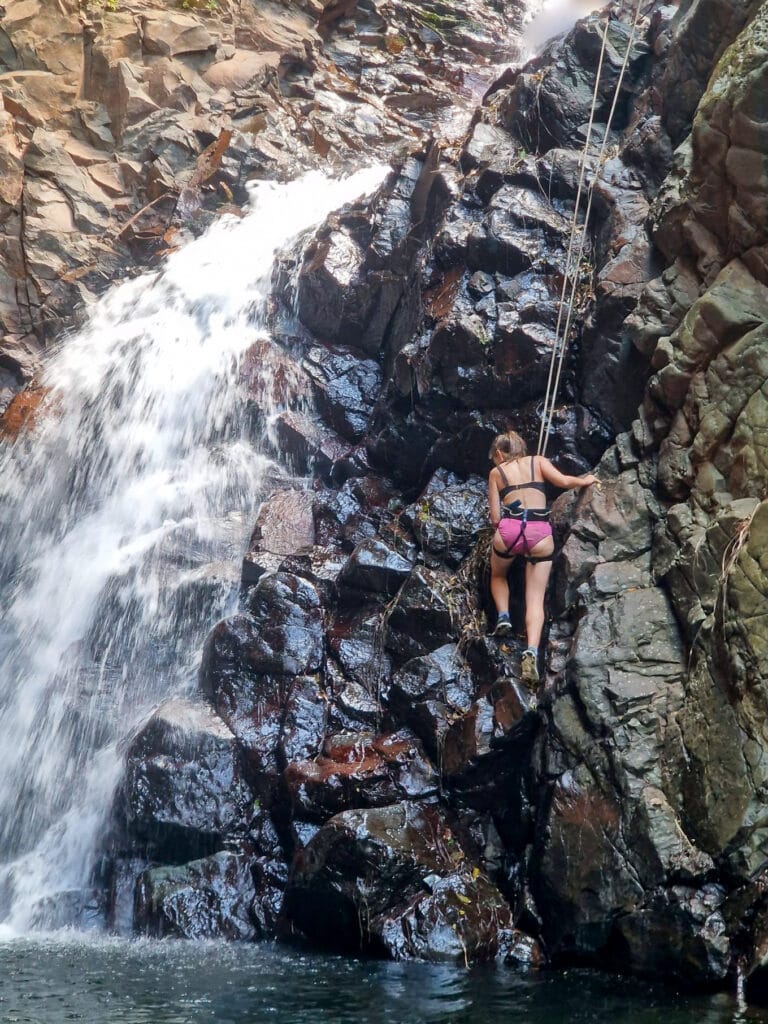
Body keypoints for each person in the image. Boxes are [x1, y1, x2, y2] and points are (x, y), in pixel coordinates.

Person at [488, 431, 599, 689]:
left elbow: (495, 517)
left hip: (510, 533)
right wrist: (586, 480)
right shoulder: (537, 461)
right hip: (539, 534)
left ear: (499, 454)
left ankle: (503, 615)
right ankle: (531, 651)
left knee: (498, 575)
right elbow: (562, 481)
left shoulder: (497, 473)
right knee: (535, 598)